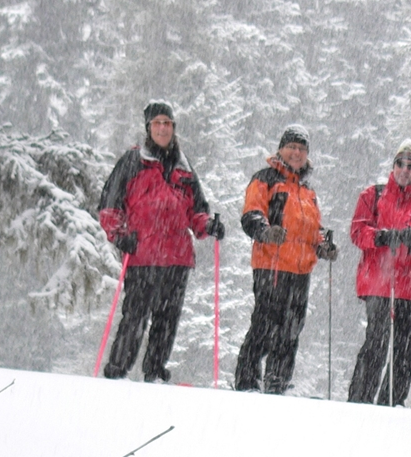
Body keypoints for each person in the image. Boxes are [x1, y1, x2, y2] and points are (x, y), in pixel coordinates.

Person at [98, 100, 224, 382]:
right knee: (135, 318)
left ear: (174, 128)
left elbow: (197, 211)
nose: (163, 128)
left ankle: (154, 371)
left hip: (177, 258)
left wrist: (209, 225)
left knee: (167, 322)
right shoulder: (132, 161)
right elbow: (109, 205)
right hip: (142, 254)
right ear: (148, 127)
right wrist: (120, 236)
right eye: (157, 123)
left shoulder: (184, 166)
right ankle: (116, 371)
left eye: (167, 123)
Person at [235, 126, 337, 394]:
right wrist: (266, 231)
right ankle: (247, 381)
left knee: (291, 328)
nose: (297, 153)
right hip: (272, 263)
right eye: (292, 147)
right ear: (281, 149)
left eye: (302, 149)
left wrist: (323, 244)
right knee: (266, 324)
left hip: (301, 269)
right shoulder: (265, 179)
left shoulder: (307, 190)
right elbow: (251, 214)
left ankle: (277, 382)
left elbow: (313, 228)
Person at [347, 141, 411, 406]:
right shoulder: (373, 195)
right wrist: (382, 237)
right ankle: (360, 400)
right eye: (400, 164)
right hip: (378, 282)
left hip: (409, 286)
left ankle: (392, 401)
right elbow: (357, 231)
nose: (405, 170)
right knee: (376, 342)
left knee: (405, 350)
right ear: (393, 166)